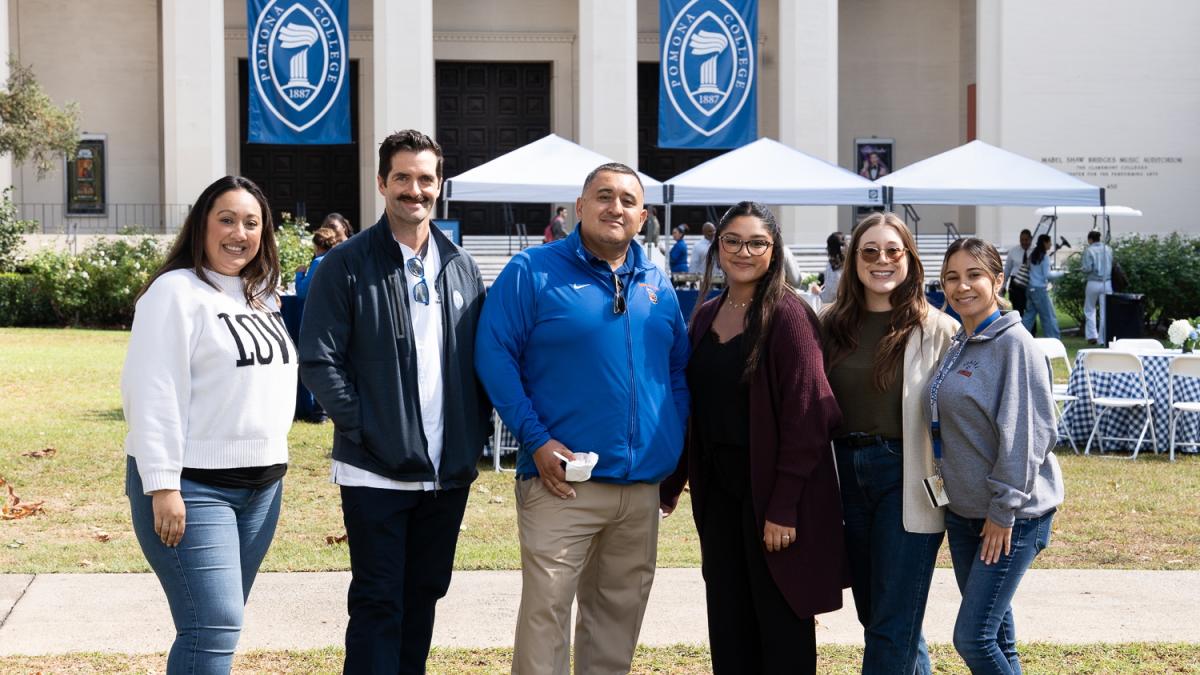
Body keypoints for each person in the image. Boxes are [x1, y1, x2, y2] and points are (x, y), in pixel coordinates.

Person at [475, 162, 690, 675]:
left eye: (627, 200)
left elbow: (676, 370)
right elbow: (494, 355)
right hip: (562, 483)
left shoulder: (656, 283)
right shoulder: (532, 271)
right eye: (603, 196)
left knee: (617, 622)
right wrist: (535, 439)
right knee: (546, 618)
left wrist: (671, 443)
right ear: (579, 207)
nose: (615, 207)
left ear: (643, 217)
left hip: (640, 490)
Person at [299, 129, 491, 673]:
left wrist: (471, 435)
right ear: (382, 183)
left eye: (425, 179)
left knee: (424, 596)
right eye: (402, 177)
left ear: (439, 185)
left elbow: (480, 360)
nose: (414, 189)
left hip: (445, 475)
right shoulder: (346, 264)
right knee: (378, 603)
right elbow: (318, 360)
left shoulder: (460, 265)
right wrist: (367, 428)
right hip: (375, 473)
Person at [659, 202, 846, 674]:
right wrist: (670, 485)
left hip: (772, 498)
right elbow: (693, 409)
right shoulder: (705, 315)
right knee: (729, 623)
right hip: (719, 497)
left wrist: (783, 507)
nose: (744, 252)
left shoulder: (789, 315)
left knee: (780, 630)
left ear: (774, 250)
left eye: (757, 243)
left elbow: (809, 417)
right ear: (717, 247)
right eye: (733, 241)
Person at [122, 175, 296, 674]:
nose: (239, 233)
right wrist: (163, 486)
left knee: (220, 625)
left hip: (262, 488)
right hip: (193, 487)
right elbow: (152, 391)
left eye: (251, 223)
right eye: (227, 219)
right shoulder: (174, 292)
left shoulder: (262, 296)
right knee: (212, 625)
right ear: (202, 225)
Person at [819, 211, 959, 674]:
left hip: (908, 476)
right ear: (853, 260)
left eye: (893, 250)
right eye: (870, 251)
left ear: (909, 258)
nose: (882, 260)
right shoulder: (827, 324)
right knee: (877, 615)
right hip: (844, 475)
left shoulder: (938, 330)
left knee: (892, 622)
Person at [933, 238, 1063, 674]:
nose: (962, 286)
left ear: (998, 280)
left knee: (973, 638)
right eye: (952, 277)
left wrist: (1003, 511)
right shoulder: (959, 342)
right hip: (964, 514)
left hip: (1010, 517)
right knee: (999, 638)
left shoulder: (1015, 346)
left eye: (974, 275)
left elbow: (1028, 436)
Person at [1022, 234, 1063, 339]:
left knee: (1029, 316)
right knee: (1048, 316)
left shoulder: (1033, 255)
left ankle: (1019, 336)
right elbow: (1047, 275)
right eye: (1049, 242)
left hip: (1030, 288)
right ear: (1045, 243)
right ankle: (1053, 339)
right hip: (1039, 290)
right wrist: (1061, 273)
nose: (1051, 244)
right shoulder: (1044, 257)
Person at [1081, 230, 1114, 345]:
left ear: (1090, 239)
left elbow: (1088, 268)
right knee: (1105, 311)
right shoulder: (1108, 249)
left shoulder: (1089, 250)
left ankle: (1092, 335)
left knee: (1089, 309)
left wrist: (1082, 269)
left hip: (1093, 282)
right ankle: (1103, 338)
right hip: (1107, 282)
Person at [294, 226, 343, 301]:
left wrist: (299, 274)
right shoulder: (340, 259)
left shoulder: (318, 262)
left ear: (316, 246)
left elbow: (302, 293)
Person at [1002, 229, 1033, 333]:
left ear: (1030, 239)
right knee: (1017, 309)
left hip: (1029, 282)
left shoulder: (1035, 251)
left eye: (1026, 240)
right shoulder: (1013, 251)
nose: (1024, 242)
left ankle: (1031, 332)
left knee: (1030, 309)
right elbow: (1007, 269)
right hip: (1015, 283)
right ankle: (1018, 331)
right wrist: (1003, 285)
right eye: (1022, 240)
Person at [811, 231, 847, 304]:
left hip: (837, 306)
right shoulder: (852, 262)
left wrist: (818, 291)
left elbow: (829, 298)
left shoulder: (833, 267)